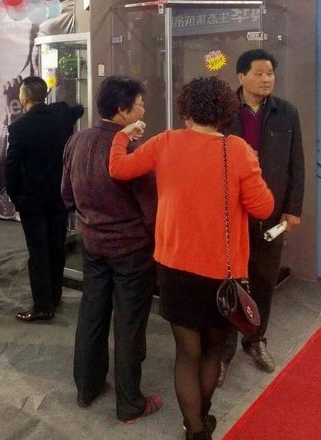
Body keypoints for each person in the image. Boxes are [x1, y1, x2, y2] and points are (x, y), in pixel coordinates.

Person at [109, 76, 274, 439]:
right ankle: (202, 418)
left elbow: (118, 168)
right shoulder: (238, 150)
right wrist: (253, 170)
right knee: (212, 351)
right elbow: (263, 207)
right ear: (224, 112)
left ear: (186, 110)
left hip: (174, 268)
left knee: (186, 354)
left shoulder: (165, 142)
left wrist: (122, 136)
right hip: (223, 274)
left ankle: (195, 430)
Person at [62, 75, 161, 424]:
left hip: (92, 244)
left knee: (92, 313)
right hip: (132, 249)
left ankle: (87, 387)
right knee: (129, 323)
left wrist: (91, 221)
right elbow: (151, 209)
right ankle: (130, 402)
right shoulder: (130, 150)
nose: (144, 110)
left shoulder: (77, 140)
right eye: (140, 104)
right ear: (122, 109)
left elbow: (67, 195)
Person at [218, 49, 305, 383]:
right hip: (231, 213)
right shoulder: (224, 113)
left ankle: (255, 340)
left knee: (264, 280)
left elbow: (296, 164)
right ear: (241, 77)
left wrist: (293, 209)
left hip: (270, 213)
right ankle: (223, 351)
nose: (267, 79)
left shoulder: (287, 113)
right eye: (259, 73)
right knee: (229, 282)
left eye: (270, 73)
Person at [4, 76, 83, 322]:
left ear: (24, 97)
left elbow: (11, 166)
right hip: (60, 195)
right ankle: (55, 296)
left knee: (38, 252)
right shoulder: (62, 115)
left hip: (32, 199)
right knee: (56, 247)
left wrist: (15, 195)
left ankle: (42, 306)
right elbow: (78, 109)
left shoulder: (19, 127)